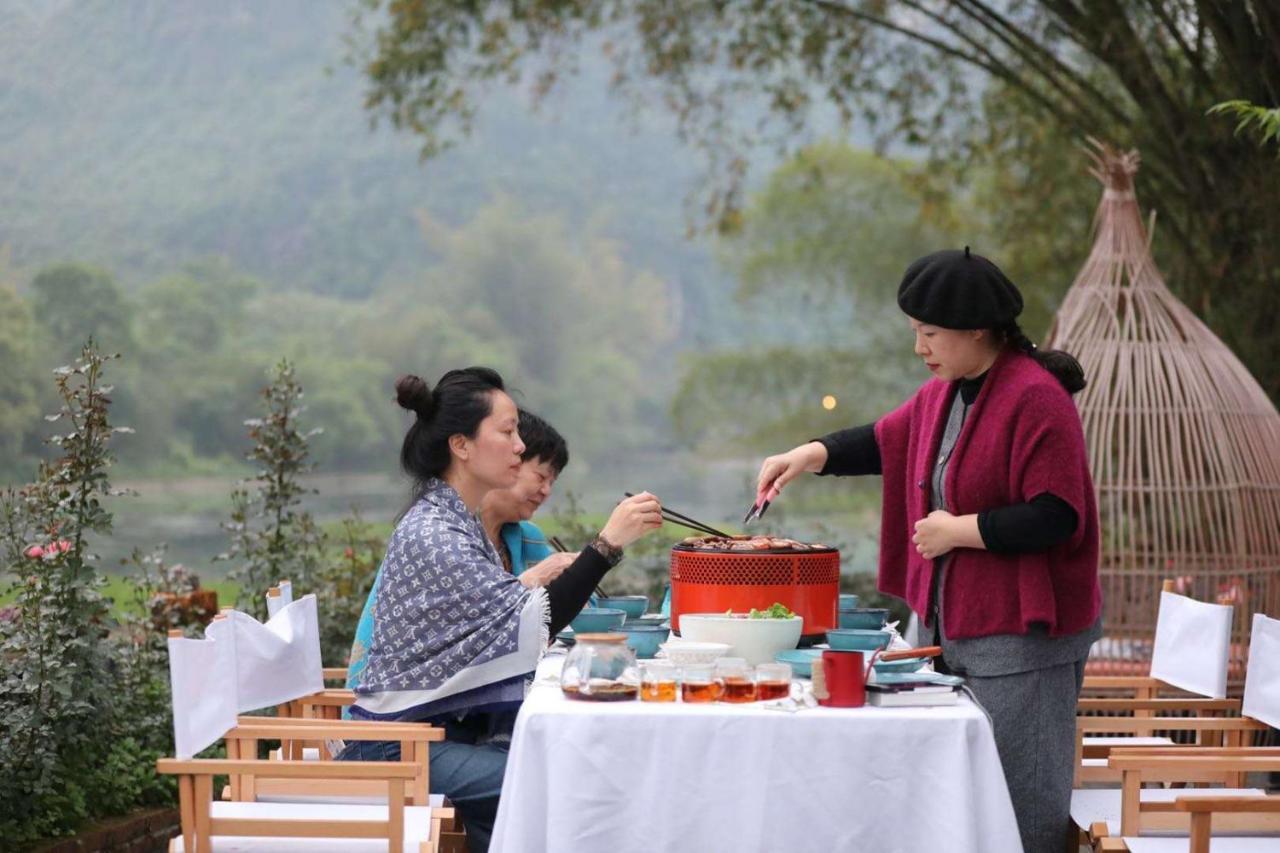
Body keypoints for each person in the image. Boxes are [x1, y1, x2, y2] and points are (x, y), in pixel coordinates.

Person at [756, 248, 1102, 853]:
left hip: (1024, 639)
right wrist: (807, 455)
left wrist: (957, 530)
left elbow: (1057, 514)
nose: (920, 346)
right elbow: (886, 441)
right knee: (959, 803)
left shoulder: (1036, 397)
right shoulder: (948, 392)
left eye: (930, 333)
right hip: (956, 628)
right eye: (916, 332)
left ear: (978, 329)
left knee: (1021, 802)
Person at [338, 367, 662, 852]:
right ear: (461, 445)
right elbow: (534, 621)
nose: (518, 446)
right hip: (392, 745)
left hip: (429, 735)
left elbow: (523, 619)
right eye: (507, 432)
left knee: (543, 764)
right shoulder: (435, 533)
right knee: (540, 777)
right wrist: (607, 544)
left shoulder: (455, 521)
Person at [345, 409, 575, 694]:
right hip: (410, 710)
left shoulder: (528, 537)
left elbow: (556, 614)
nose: (546, 491)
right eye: (541, 477)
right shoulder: (441, 536)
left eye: (552, 483)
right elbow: (480, 626)